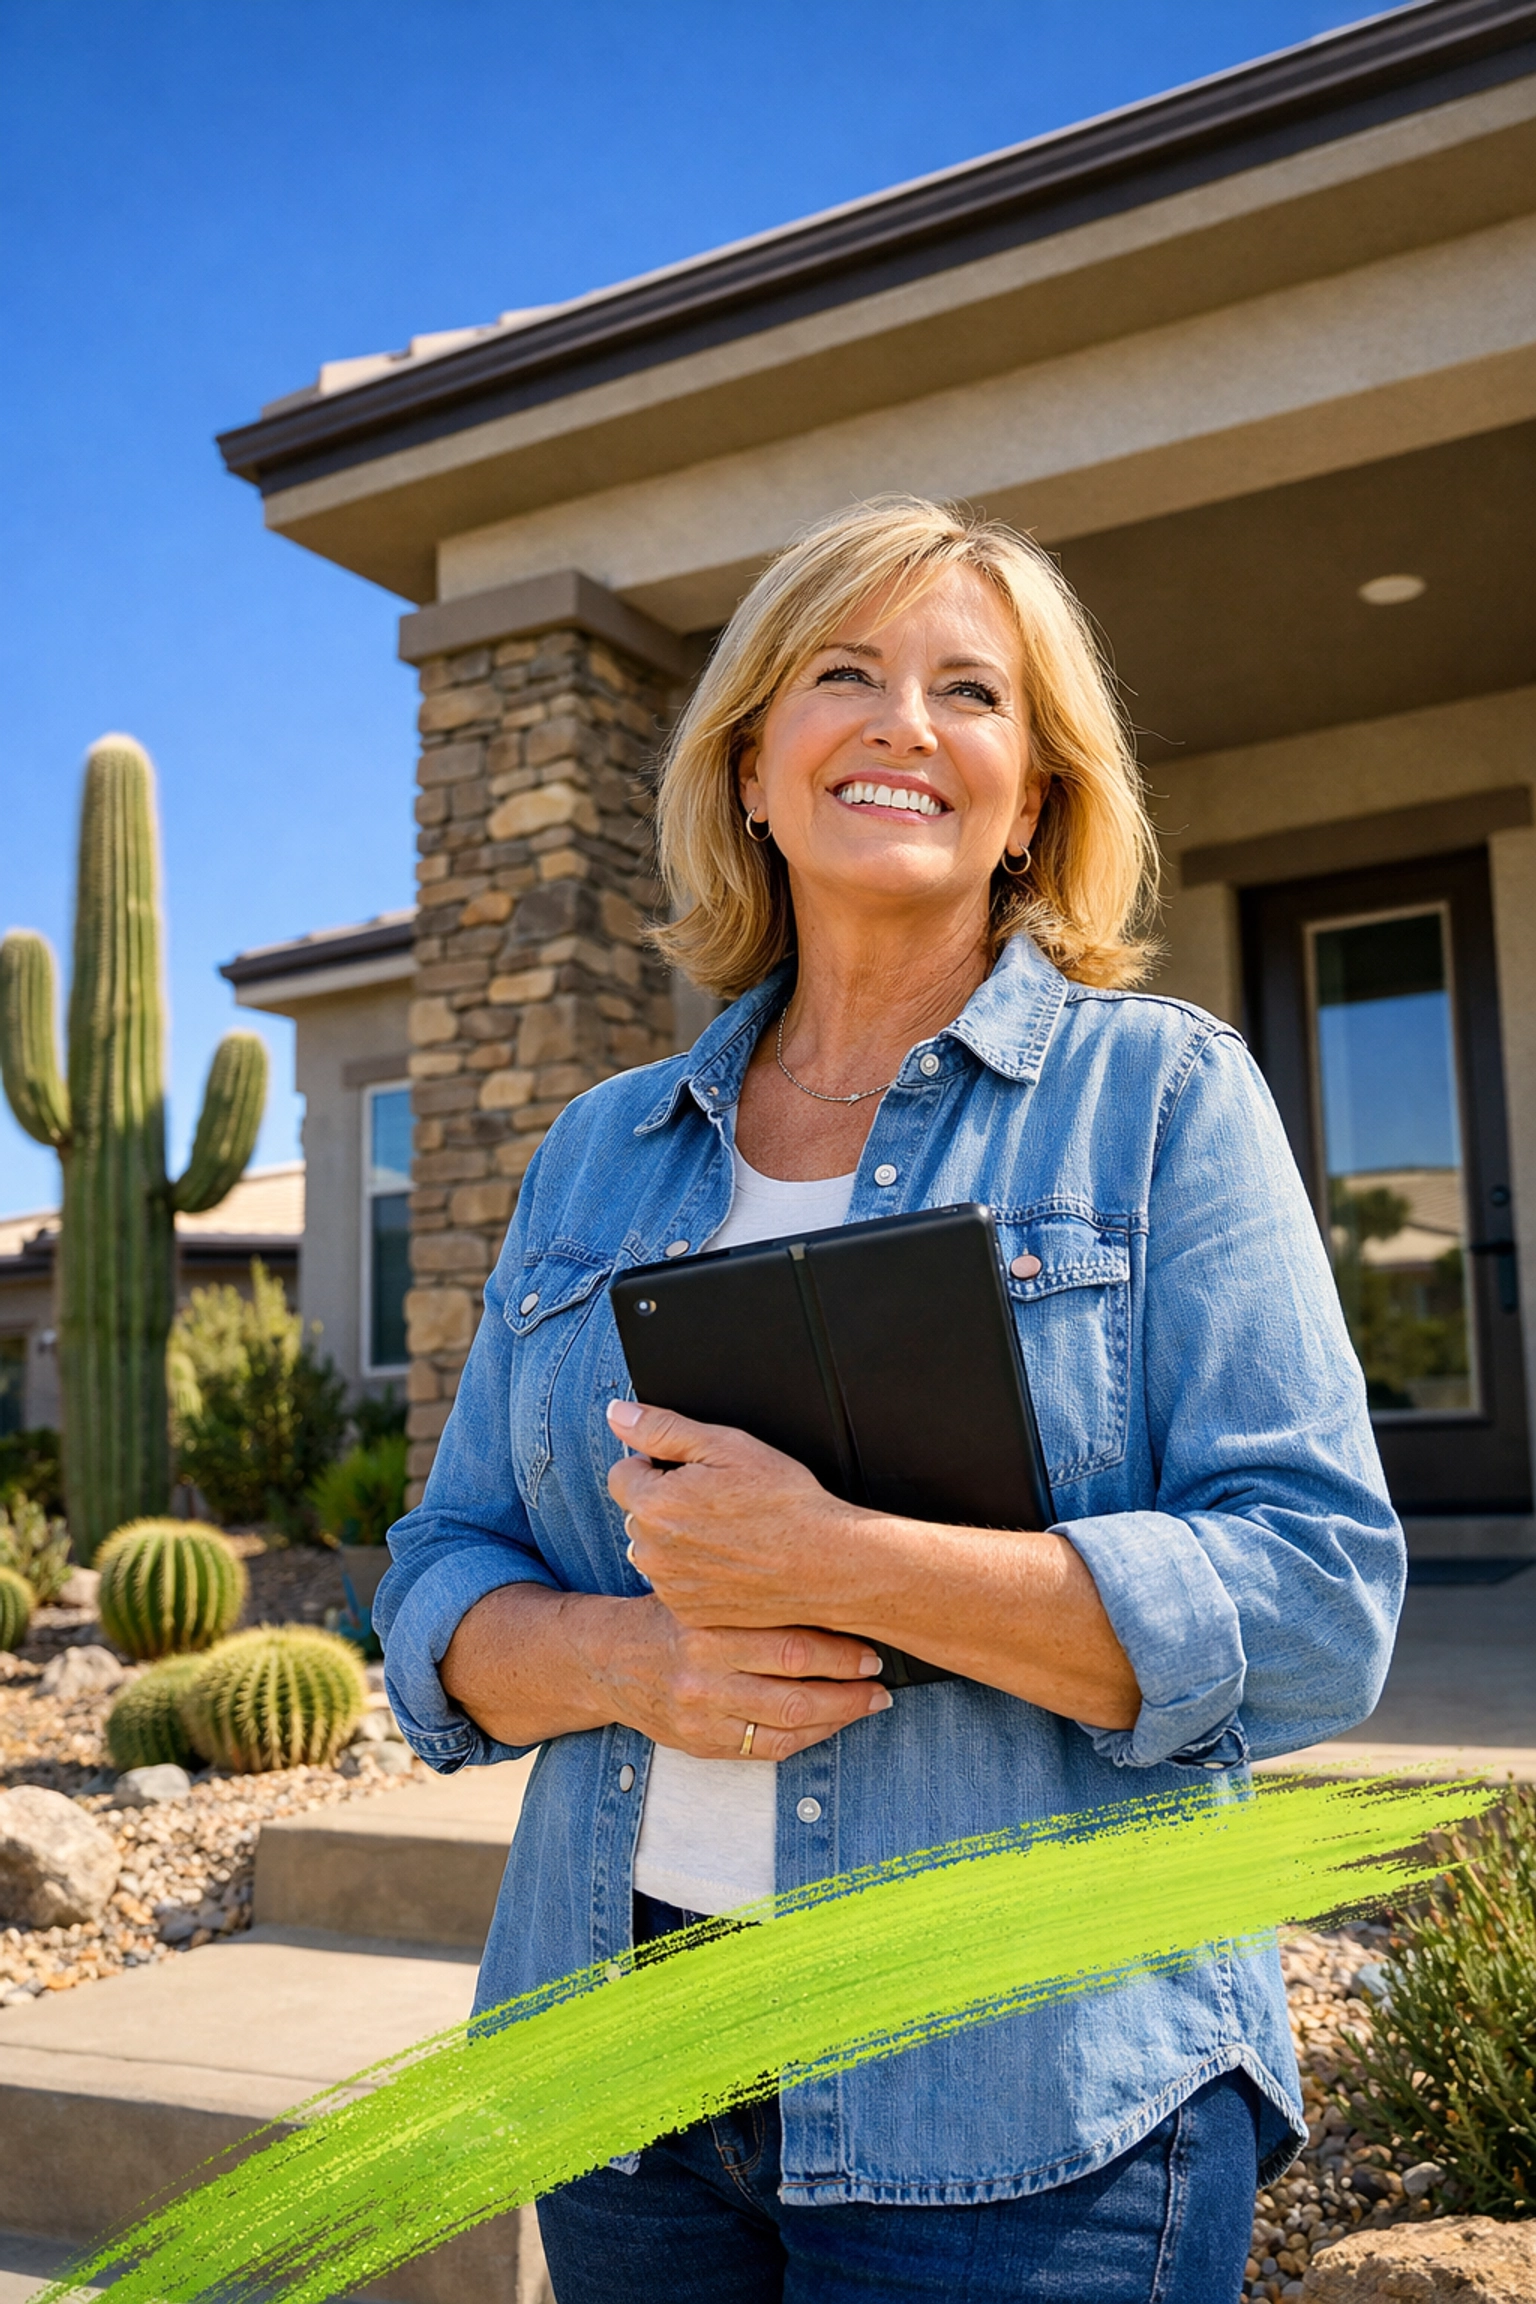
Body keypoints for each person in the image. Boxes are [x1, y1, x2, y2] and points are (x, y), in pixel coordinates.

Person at [377, 497, 1404, 2303]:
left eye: (970, 695)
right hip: (623, 2086)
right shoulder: (596, 1154)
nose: (904, 727)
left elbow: (1316, 1604)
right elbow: (440, 1571)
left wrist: (840, 1559)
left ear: (1034, 802)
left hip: (1032, 2091)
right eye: (844, 675)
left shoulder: (1157, 1101)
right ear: (753, 767)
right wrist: (632, 1663)